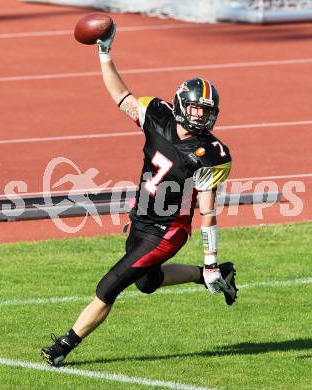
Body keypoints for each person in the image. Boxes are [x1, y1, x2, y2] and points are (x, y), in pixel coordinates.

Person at [41, 25, 237, 367]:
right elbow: (121, 95)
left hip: (168, 230)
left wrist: (209, 257)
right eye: (196, 110)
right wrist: (104, 53)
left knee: (109, 286)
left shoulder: (211, 153)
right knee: (148, 282)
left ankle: (63, 345)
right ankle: (219, 273)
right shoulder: (157, 116)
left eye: (207, 112)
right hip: (142, 218)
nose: (201, 117)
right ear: (180, 105)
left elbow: (208, 212)